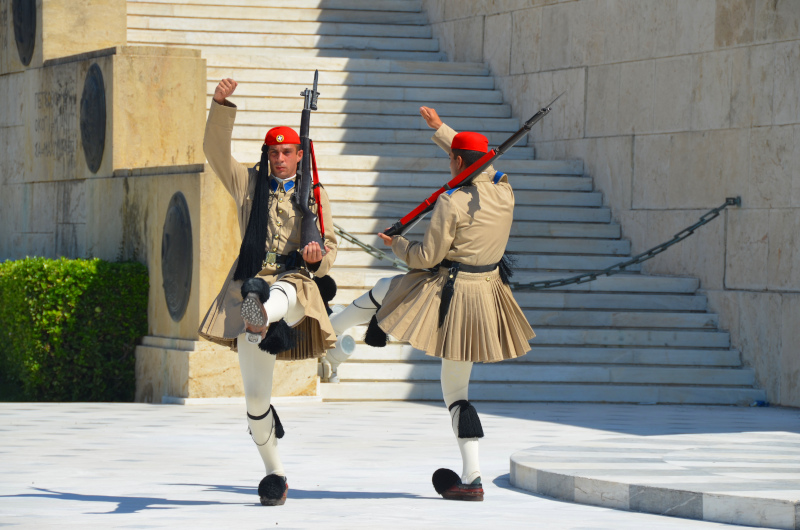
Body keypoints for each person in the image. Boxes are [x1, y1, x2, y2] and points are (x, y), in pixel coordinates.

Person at [325, 106, 535, 502]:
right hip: (487, 291)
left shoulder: (451, 203)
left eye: (451, 157)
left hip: (452, 291)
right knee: (457, 389)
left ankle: (330, 331)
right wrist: (443, 131)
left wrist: (397, 243)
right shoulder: (506, 191)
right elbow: (483, 166)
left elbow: (425, 258)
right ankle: (472, 476)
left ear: (457, 162)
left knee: (390, 285)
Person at [198, 78, 338, 506]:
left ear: (299, 155)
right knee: (256, 400)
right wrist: (221, 106)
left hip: (294, 286)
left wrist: (315, 258)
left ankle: (265, 311)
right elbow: (216, 153)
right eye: (273, 152)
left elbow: (329, 248)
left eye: (287, 152)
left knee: (280, 293)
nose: (279, 159)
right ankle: (274, 472)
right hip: (248, 288)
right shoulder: (249, 186)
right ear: (267, 154)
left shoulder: (314, 195)